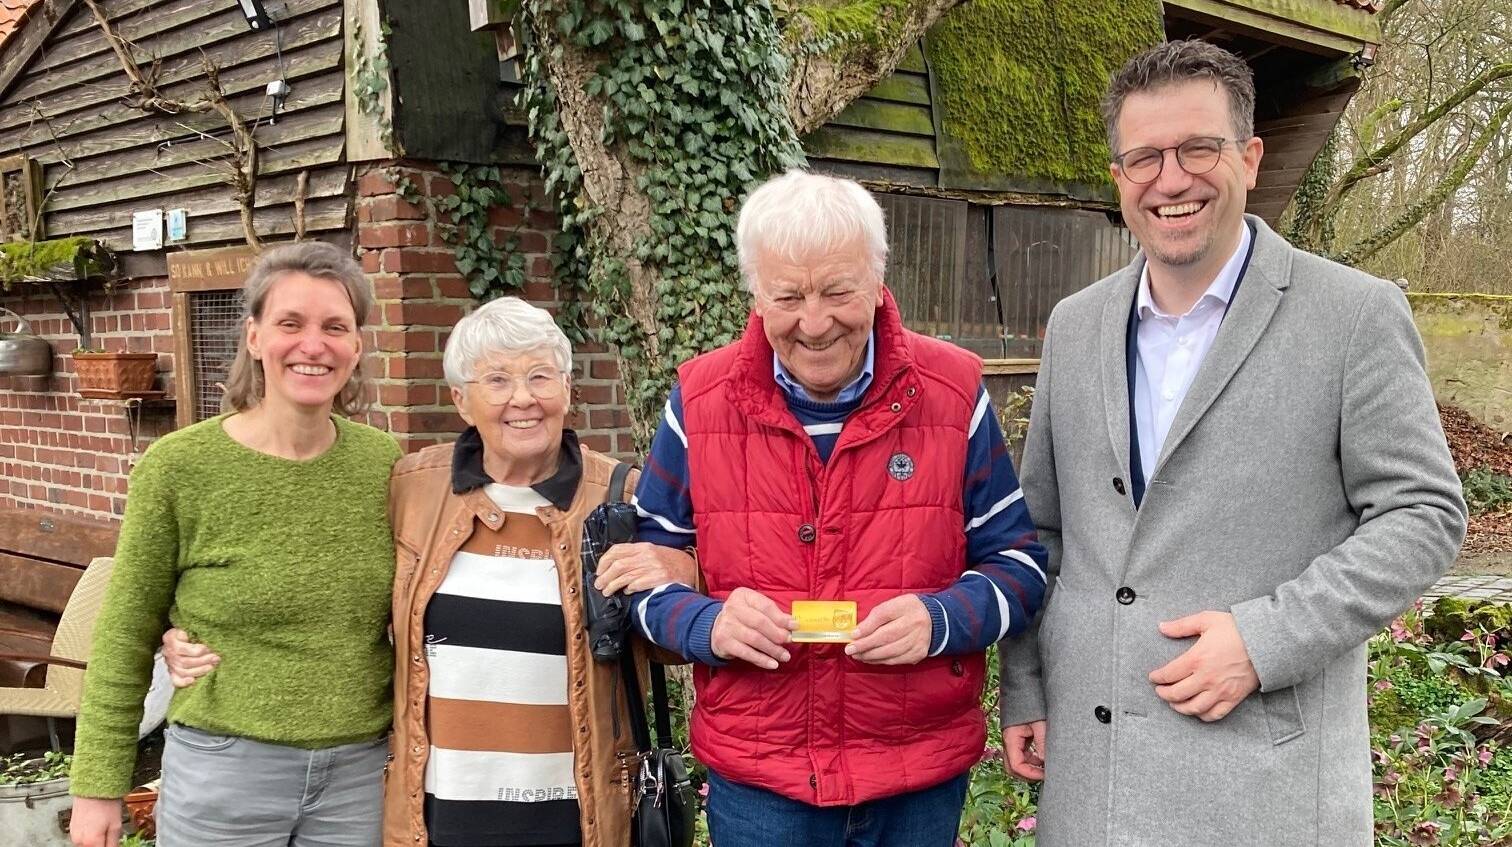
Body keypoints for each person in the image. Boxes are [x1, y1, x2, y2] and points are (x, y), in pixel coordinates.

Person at [996, 39, 1468, 846]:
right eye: (1144, 157)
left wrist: (1266, 637)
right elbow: (1042, 530)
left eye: (1198, 149)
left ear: (1248, 158)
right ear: (1118, 179)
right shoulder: (1076, 326)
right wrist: (1028, 686)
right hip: (1093, 785)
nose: (1171, 179)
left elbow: (1423, 513)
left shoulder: (1353, 316)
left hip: (1263, 787)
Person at [603, 169, 1049, 846]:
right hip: (762, 782)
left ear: (876, 280)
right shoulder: (699, 400)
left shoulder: (953, 392)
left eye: (838, 291)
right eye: (788, 296)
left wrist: (940, 619)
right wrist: (706, 622)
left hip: (915, 773)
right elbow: (643, 579)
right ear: (755, 293)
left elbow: (1021, 566)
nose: (814, 322)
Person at [163, 296, 695, 847]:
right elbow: (330, 583)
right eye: (497, 380)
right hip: (439, 813)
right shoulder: (413, 488)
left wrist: (683, 570)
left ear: (566, 389)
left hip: (577, 812)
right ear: (462, 401)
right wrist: (190, 629)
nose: (524, 399)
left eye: (541, 376)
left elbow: (670, 644)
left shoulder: (622, 499)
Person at [69, 242, 401, 847]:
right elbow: (123, 632)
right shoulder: (179, 468)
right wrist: (98, 786)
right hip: (225, 773)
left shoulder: (385, 465)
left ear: (356, 345)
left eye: (335, 327)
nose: (313, 345)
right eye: (290, 323)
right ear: (253, 337)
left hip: (358, 778)